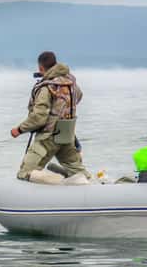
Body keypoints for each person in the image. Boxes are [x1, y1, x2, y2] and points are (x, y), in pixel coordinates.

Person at [11, 51, 91, 180]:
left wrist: (19, 129)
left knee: (25, 174)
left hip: (47, 139)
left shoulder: (46, 87)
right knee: (78, 171)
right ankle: (92, 187)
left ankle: (50, 184)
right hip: (67, 135)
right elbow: (79, 96)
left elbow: (39, 117)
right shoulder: (70, 82)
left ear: (41, 68)